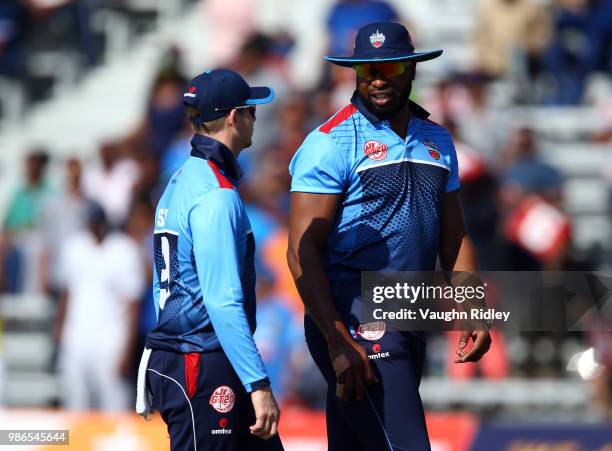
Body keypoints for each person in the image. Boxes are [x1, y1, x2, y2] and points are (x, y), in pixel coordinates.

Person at [287, 22, 492, 450]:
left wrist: (472, 310)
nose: (377, 78)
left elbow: (454, 239)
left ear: (412, 70)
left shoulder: (437, 139)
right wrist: (337, 339)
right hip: (356, 320)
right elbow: (301, 251)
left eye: (390, 67)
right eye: (366, 71)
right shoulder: (329, 143)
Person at [136, 69, 284, 451]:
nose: (256, 118)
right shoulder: (216, 193)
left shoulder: (181, 178)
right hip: (200, 361)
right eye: (252, 110)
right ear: (234, 117)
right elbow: (222, 299)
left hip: (191, 356)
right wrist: (258, 383)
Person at [54, 201, 144, 411]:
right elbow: (67, 291)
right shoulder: (74, 247)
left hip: (111, 340)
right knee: (76, 403)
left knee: (114, 404)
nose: (92, 226)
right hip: (76, 336)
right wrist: (59, 326)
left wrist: (127, 349)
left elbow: (133, 302)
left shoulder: (123, 249)